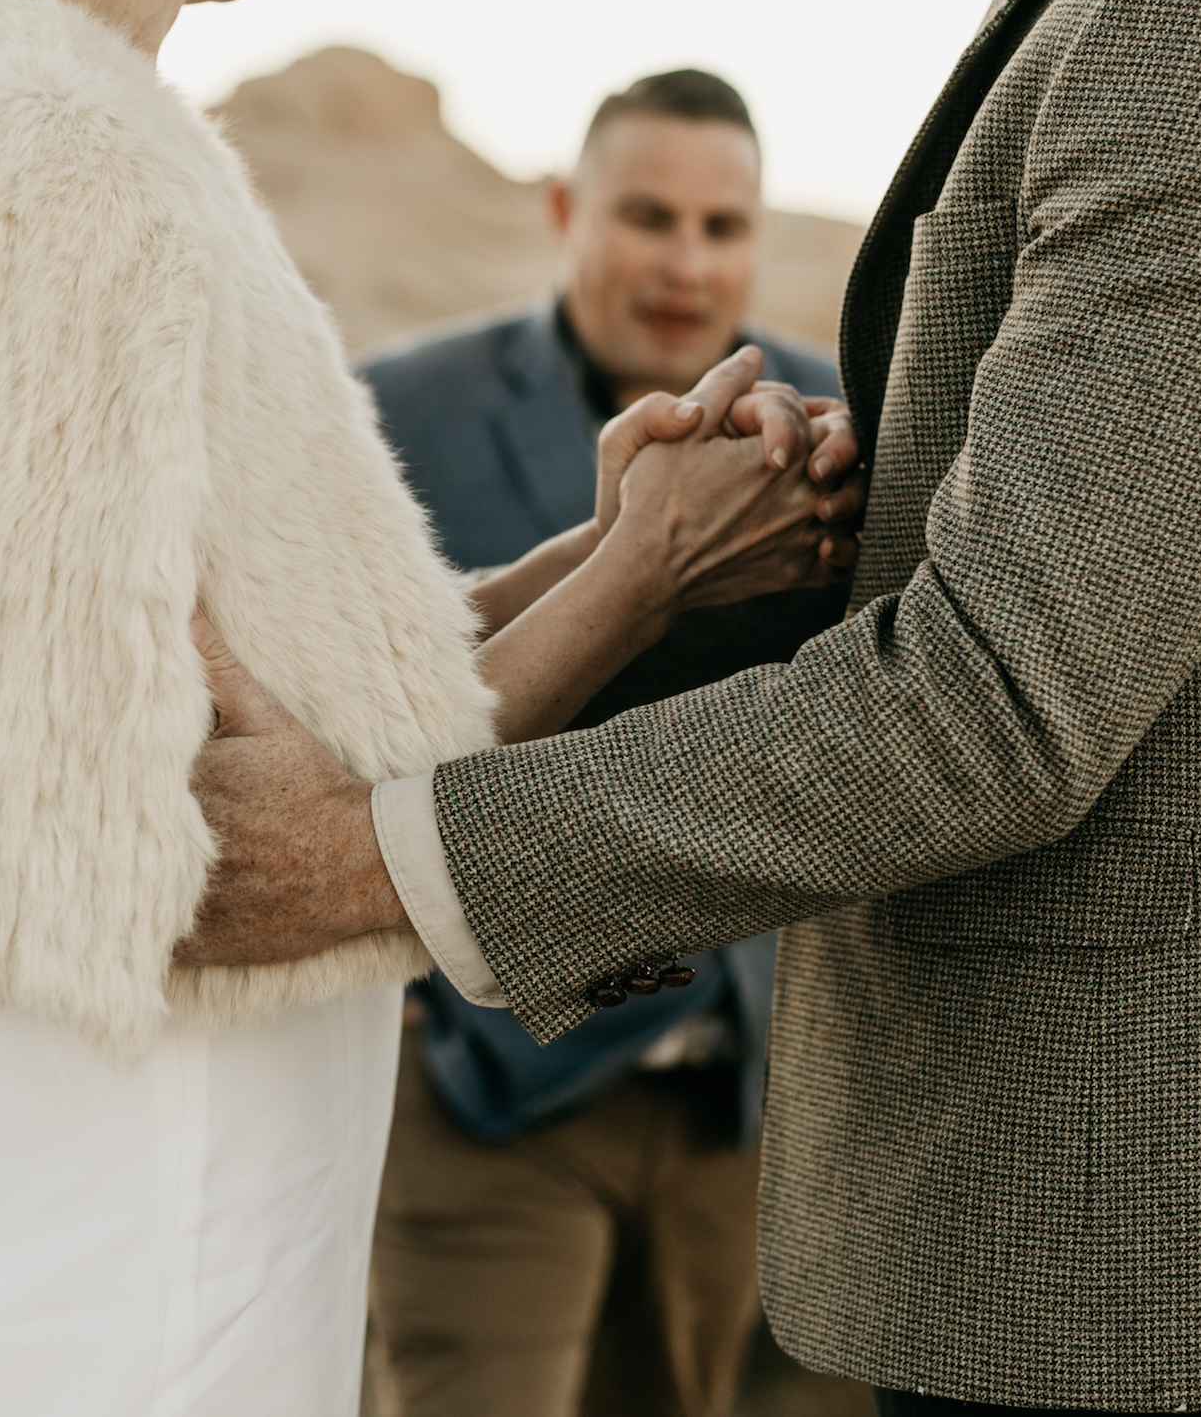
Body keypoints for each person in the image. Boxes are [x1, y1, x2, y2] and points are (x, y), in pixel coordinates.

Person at [179, 0, 1201, 1413]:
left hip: (1135, 1249)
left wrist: (376, 858)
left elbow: (993, 707)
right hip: (1045, 1224)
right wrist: (693, 551)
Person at [0, 0, 864, 1414]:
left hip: (184, 1144)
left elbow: (284, 689)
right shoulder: (49, 159)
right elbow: (139, 835)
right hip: (135, 1188)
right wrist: (645, 575)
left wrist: (601, 545)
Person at [359, 69, 843, 1417]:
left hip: (735, 1110)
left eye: (723, 227)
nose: (688, 264)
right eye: (648, 217)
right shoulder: (396, 413)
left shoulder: (840, 420)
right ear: (569, 210)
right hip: (483, 1095)